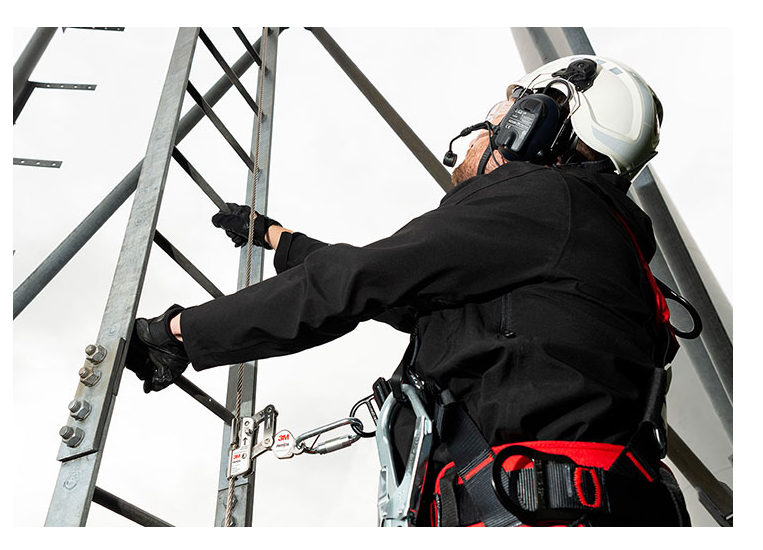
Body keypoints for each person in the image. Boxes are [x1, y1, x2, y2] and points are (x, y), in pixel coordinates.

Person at [125, 55, 692, 526]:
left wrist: (179, 333)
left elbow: (362, 281)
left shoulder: (544, 198)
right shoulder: (581, 230)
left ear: (533, 124)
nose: (480, 134)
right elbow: (410, 296)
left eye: (501, 116)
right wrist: (281, 240)